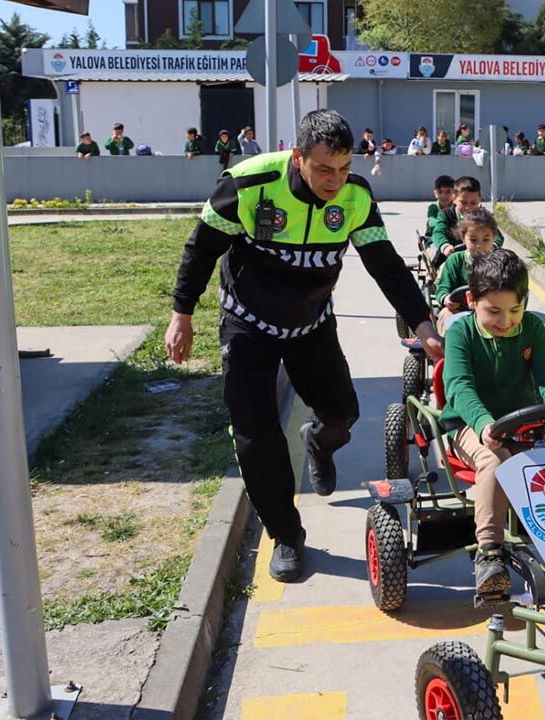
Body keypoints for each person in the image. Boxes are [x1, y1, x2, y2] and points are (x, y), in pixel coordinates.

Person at [165, 109, 441, 583]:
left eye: (344, 168)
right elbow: (201, 248)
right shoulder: (249, 184)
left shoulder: (354, 196)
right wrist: (181, 313)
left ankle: (318, 440)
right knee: (256, 436)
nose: (335, 180)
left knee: (344, 413)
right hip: (248, 325)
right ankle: (287, 535)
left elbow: (385, 264)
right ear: (298, 158)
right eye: (323, 170)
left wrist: (421, 323)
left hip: (310, 324)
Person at [439, 248, 545, 600]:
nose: (506, 321)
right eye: (494, 311)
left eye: (515, 310)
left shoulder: (533, 328)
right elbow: (459, 386)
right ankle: (489, 553)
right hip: (469, 425)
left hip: (522, 423)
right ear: (471, 301)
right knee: (494, 461)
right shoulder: (461, 334)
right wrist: (484, 423)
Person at [434, 207, 498, 332]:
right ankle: (449, 350)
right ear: (463, 238)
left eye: (486, 240)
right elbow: (443, 288)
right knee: (446, 316)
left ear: (493, 238)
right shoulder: (455, 260)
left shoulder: (498, 261)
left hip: (490, 309)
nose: (479, 245)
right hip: (459, 309)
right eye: (473, 240)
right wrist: (447, 298)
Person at [430, 176, 504, 265]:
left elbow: (497, 235)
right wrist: (445, 246)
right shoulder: (446, 215)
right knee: (441, 270)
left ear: (479, 200)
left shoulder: (482, 217)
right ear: (454, 198)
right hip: (450, 257)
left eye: (473, 203)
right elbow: (438, 232)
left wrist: (492, 246)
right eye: (463, 202)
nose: (468, 207)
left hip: (479, 257)